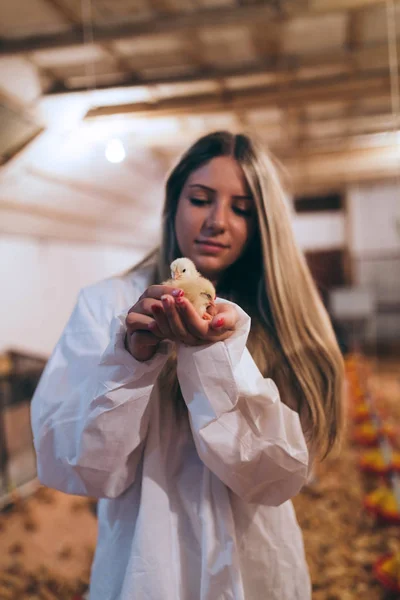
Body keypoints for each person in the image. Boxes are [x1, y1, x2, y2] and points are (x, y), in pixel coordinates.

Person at [30, 131, 344, 600]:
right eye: (200, 199)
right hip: (147, 570)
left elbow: (272, 477)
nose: (218, 222)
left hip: (254, 569)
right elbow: (83, 469)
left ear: (263, 225)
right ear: (173, 204)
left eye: (242, 209)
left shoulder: (281, 319)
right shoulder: (108, 307)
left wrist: (216, 356)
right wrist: (132, 359)